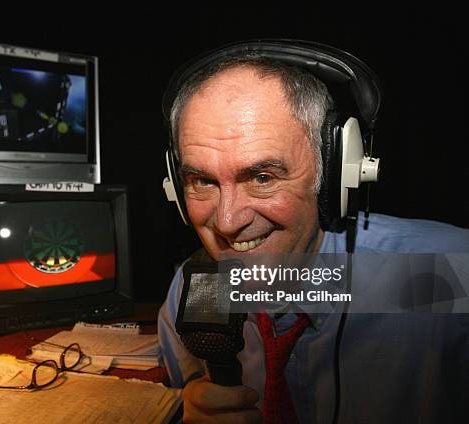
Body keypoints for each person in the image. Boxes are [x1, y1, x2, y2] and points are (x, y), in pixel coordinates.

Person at [157, 41, 469, 423]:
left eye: (262, 177)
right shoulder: (189, 295)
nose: (226, 221)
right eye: (202, 180)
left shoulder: (451, 272)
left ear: (336, 173)